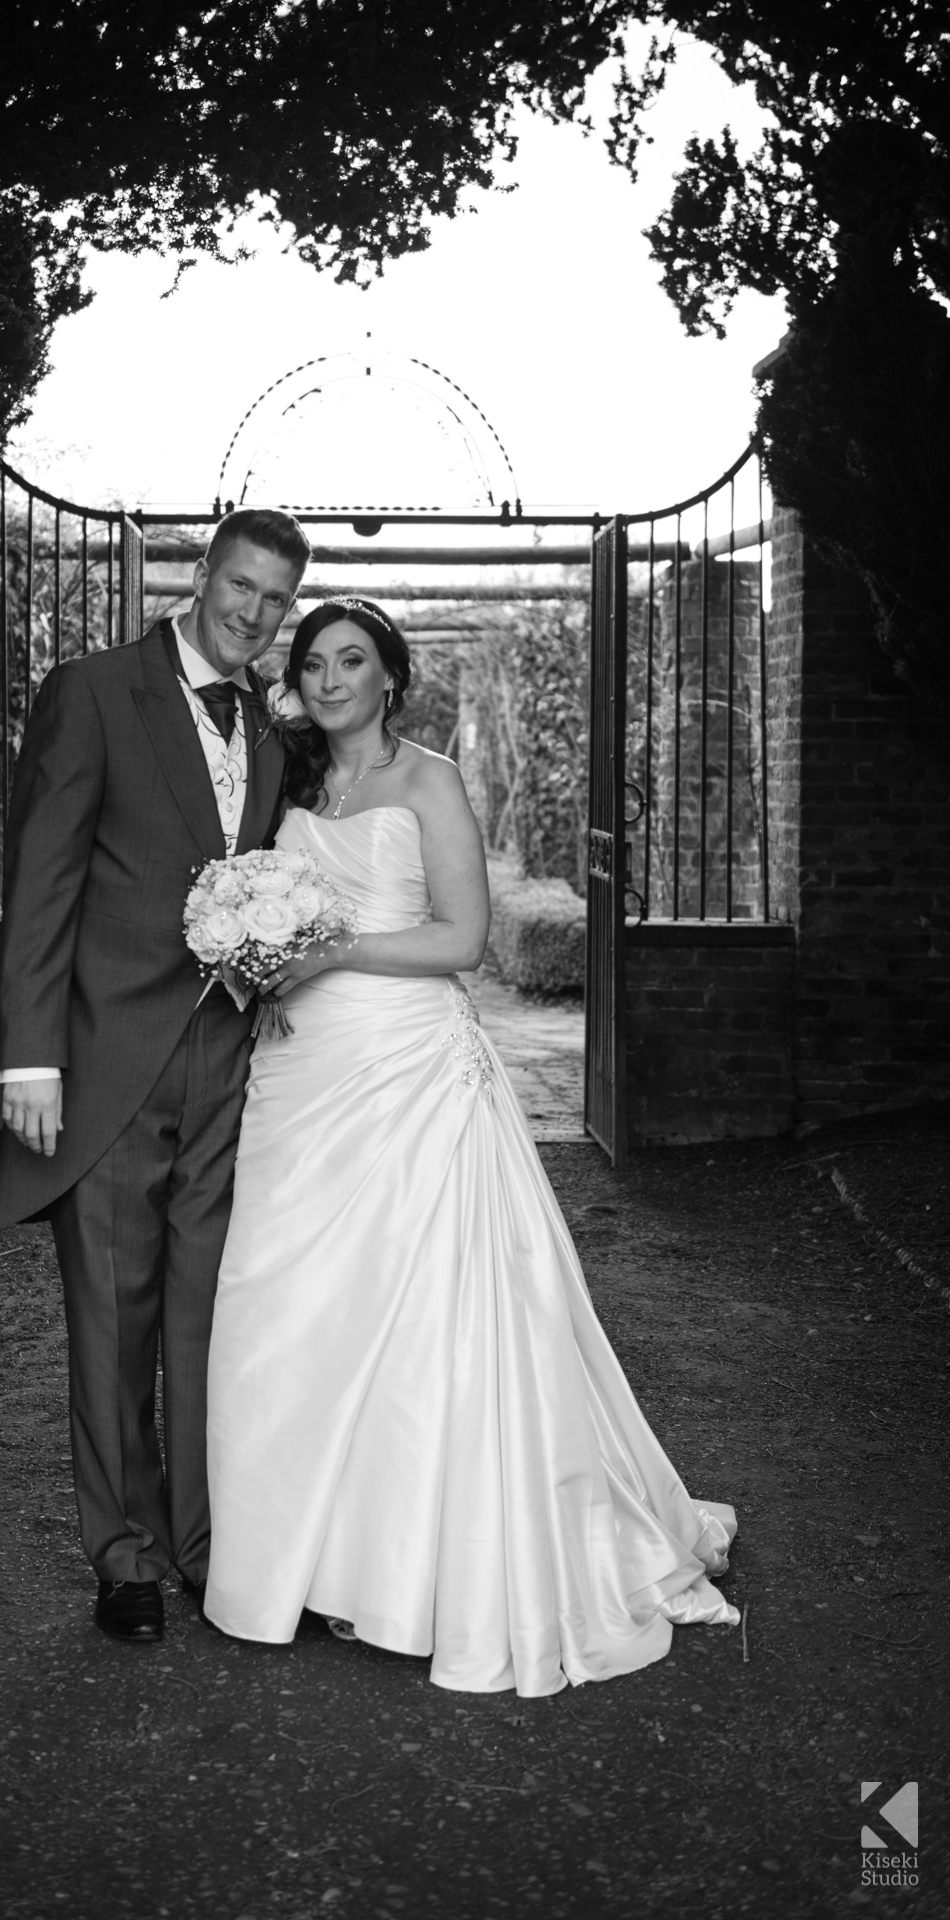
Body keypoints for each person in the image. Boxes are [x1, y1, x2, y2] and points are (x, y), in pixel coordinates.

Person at [203, 596, 738, 1696]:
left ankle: (416, 1569)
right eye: (315, 661)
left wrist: (326, 947)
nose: (333, 676)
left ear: (392, 675)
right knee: (294, 1306)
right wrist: (255, 947)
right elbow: (260, 895)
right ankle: (302, 1562)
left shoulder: (428, 778)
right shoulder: (287, 779)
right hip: (298, 1073)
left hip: (407, 1073)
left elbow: (463, 937)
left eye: (354, 658)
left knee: (424, 1315)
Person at [0, 507, 311, 1644]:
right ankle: (123, 1555)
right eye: (241, 586)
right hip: (109, 1056)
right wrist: (31, 1053)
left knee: (209, 1316)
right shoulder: (93, 690)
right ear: (202, 575)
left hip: (229, 1063)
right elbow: (41, 880)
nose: (254, 613)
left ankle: (208, 1547)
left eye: (276, 598)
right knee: (112, 1318)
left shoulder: (275, 729)